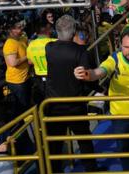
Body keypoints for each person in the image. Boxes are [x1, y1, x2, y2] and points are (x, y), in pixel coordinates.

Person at [74, 30, 129, 171]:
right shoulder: (115, 59)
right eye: (126, 47)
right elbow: (99, 72)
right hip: (120, 115)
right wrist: (86, 74)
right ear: (120, 45)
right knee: (123, 148)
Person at [44, 16, 97, 174]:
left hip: (53, 104)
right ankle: (91, 169)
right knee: (84, 139)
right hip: (75, 103)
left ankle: (54, 170)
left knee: (54, 142)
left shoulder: (49, 48)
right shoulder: (80, 51)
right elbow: (86, 75)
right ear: (74, 32)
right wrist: (100, 88)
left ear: (56, 31)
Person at [2, 20, 30, 113]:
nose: (21, 29)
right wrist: (28, 56)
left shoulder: (22, 39)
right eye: (17, 28)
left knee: (27, 104)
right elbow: (13, 62)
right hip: (16, 81)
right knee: (21, 107)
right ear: (10, 30)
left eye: (20, 27)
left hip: (25, 78)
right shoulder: (10, 43)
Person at [26, 22, 54, 104]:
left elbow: (30, 62)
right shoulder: (54, 42)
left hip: (39, 78)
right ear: (48, 31)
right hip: (53, 77)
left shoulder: (31, 44)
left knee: (41, 101)